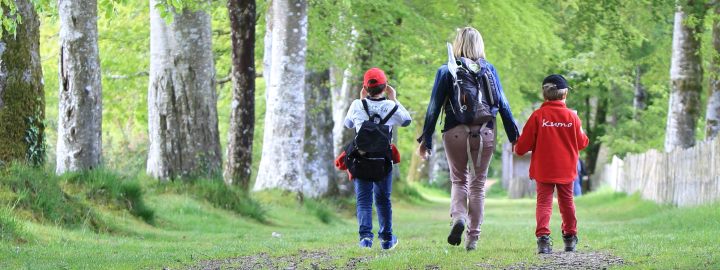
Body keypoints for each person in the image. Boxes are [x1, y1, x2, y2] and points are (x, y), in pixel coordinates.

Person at [416, 27, 520, 251]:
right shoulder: (489, 70)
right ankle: (472, 238)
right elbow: (503, 104)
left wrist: (426, 140)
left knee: (459, 180)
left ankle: (459, 218)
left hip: (455, 131)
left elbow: (433, 108)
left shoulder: (446, 71)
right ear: (479, 45)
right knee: (478, 184)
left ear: (458, 44)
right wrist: (514, 137)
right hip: (485, 131)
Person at [514, 74, 590, 254]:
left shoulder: (538, 116)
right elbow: (583, 143)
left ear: (544, 95)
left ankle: (543, 239)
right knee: (567, 202)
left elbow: (521, 148)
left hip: (544, 168)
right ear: (565, 95)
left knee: (544, 203)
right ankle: (570, 237)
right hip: (566, 168)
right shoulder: (572, 117)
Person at [343, 67, 411, 250]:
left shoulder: (357, 105)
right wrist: (394, 98)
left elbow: (348, 124)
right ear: (385, 87)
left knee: (364, 200)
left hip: (362, 160)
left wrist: (361, 99)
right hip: (383, 162)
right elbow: (407, 120)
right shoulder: (391, 106)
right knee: (383, 200)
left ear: (365, 87)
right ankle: (387, 239)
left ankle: (365, 239)